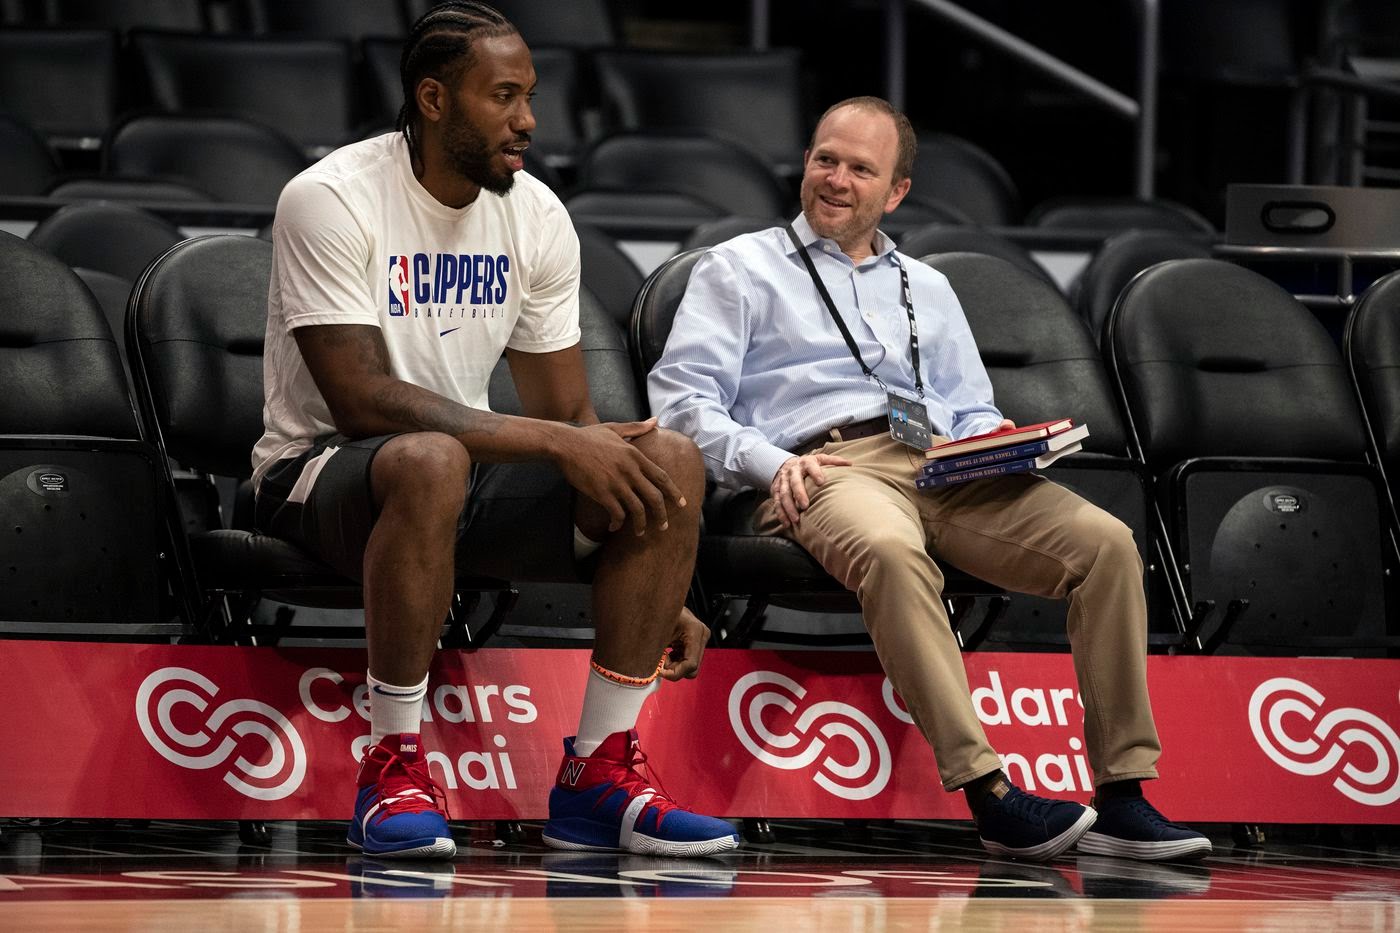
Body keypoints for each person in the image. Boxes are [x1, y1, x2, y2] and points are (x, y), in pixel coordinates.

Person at [649, 96, 1211, 863]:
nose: (836, 179)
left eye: (860, 168)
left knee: (1106, 543)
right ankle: (989, 792)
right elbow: (682, 404)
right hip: (822, 464)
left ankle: (1122, 793)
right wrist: (770, 461)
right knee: (887, 547)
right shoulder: (740, 268)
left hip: (943, 468)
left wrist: (1000, 447)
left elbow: (970, 406)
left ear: (897, 191)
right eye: (825, 159)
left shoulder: (927, 285)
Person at [252, 1, 737, 860]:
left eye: (530, 96)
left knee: (665, 457)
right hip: (318, 473)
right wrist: (554, 443)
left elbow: (569, 417)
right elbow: (359, 397)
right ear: (434, 100)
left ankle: (600, 773)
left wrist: (671, 581)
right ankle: (392, 762)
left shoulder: (536, 212)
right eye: (504, 97)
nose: (528, 121)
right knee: (431, 459)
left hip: (459, 474)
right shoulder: (328, 198)